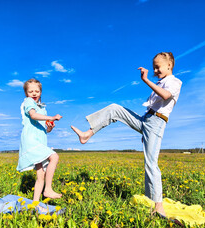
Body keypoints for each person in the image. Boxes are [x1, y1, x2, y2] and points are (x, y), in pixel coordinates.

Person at [71, 52, 182, 216]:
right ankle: (87, 134)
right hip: (146, 119)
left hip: (156, 123)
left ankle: (158, 207)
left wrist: (146, 80)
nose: (155, 70)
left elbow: (165, 96)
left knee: (151, 164)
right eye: (154, 68)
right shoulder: (161, 81)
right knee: (115, 108)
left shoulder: (174, 82)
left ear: (169, 65)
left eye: (158, 67)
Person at [17, 78, 62, 205]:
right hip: (31, 141)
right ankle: (47, 190)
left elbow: (44, 129)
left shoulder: (41, 108)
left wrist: (49, 127)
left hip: (40, 141)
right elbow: (33, 115)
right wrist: (52, 117)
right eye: (31, 91)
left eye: (37, 91)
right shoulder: (28, 102)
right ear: (26, 93)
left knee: (40, 175)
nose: (34, 93)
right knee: (54, 156)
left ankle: (35, 204)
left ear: (40, 92)